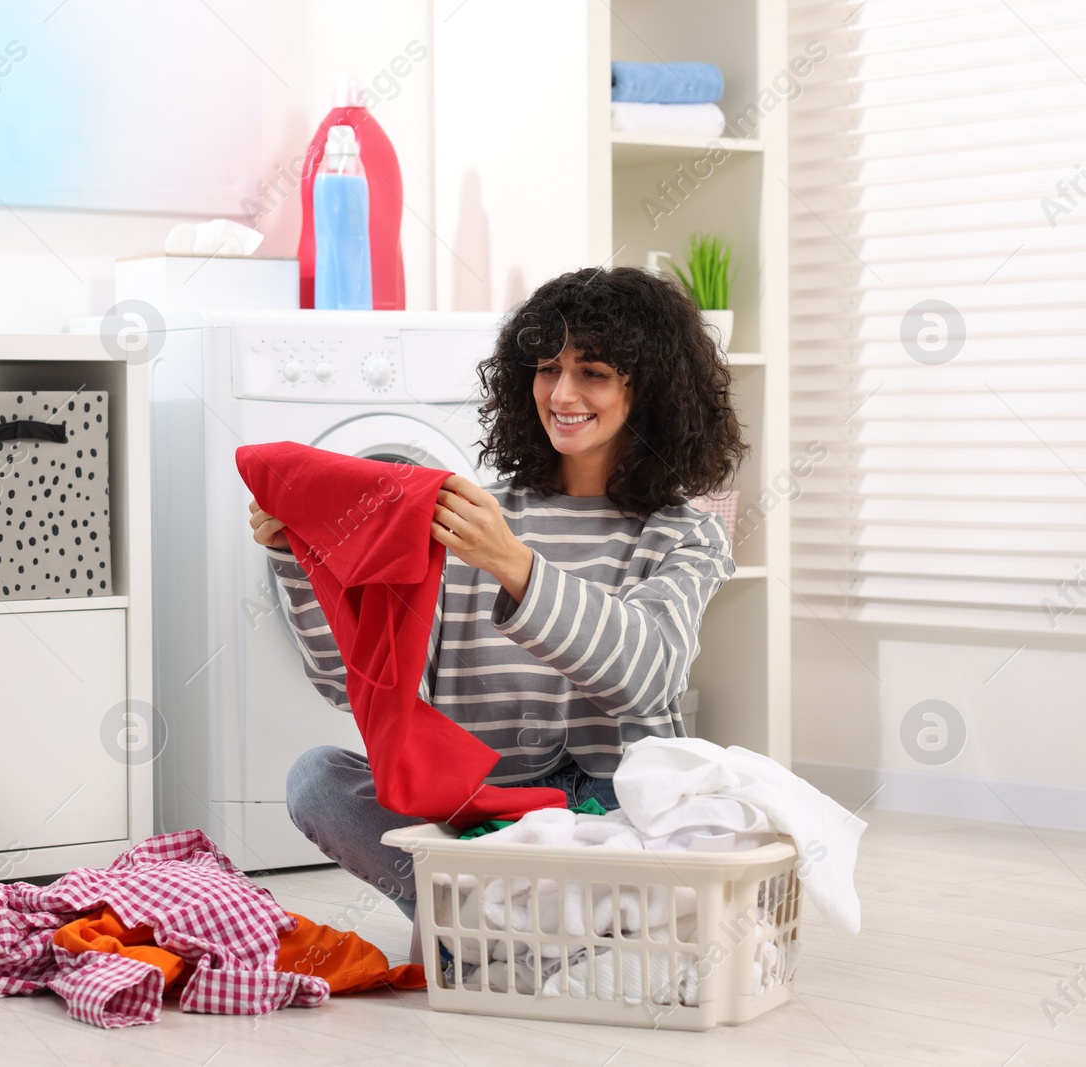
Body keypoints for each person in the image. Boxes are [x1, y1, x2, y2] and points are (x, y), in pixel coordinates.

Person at [246, 266, 747, 920]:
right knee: (317, 778)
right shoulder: (469, 509)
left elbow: (647, 675)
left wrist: (513, 563)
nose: (563, 392)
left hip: (608, 804)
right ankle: (498, 919)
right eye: (546, 368)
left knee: (709, 802)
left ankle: (479, 919)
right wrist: (298, 562)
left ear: (648, 390)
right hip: (478, 804)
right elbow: (358, 683)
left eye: (592, 372)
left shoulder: (685, 532)